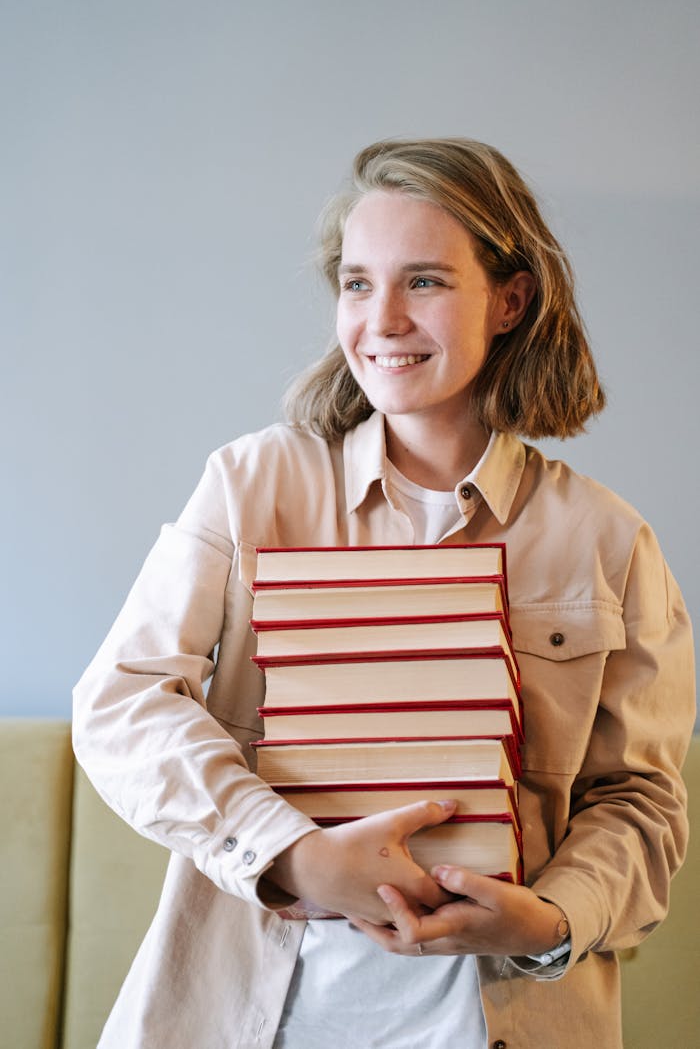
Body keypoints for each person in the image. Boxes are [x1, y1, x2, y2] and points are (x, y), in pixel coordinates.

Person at [73, 138, 695, 1049]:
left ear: (511, 300)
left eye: (427, 282)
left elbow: (639, 804)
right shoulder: (252, 485)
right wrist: (294, 856)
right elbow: (120, 703)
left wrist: (549, 922)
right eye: (358, 284)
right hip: (249, 1017)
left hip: (501, 1023)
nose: (384, 319)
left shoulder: (607, 541)